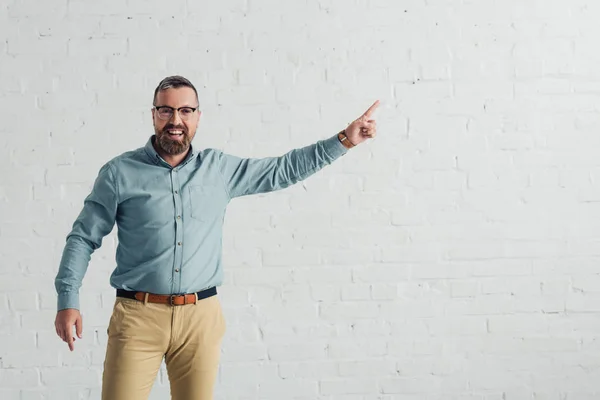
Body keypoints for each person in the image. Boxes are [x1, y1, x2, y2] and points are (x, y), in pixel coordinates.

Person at [53, 75, 379, 400]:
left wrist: (344, 140)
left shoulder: (219, 170)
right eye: (166, 111)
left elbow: (282, 170)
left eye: (185, 111)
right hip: (138, 317)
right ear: (153, 114)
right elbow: (83, 237)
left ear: (198, 116)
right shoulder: (119, 173)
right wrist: (68, 300)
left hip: (200, 318)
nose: (175, 120)